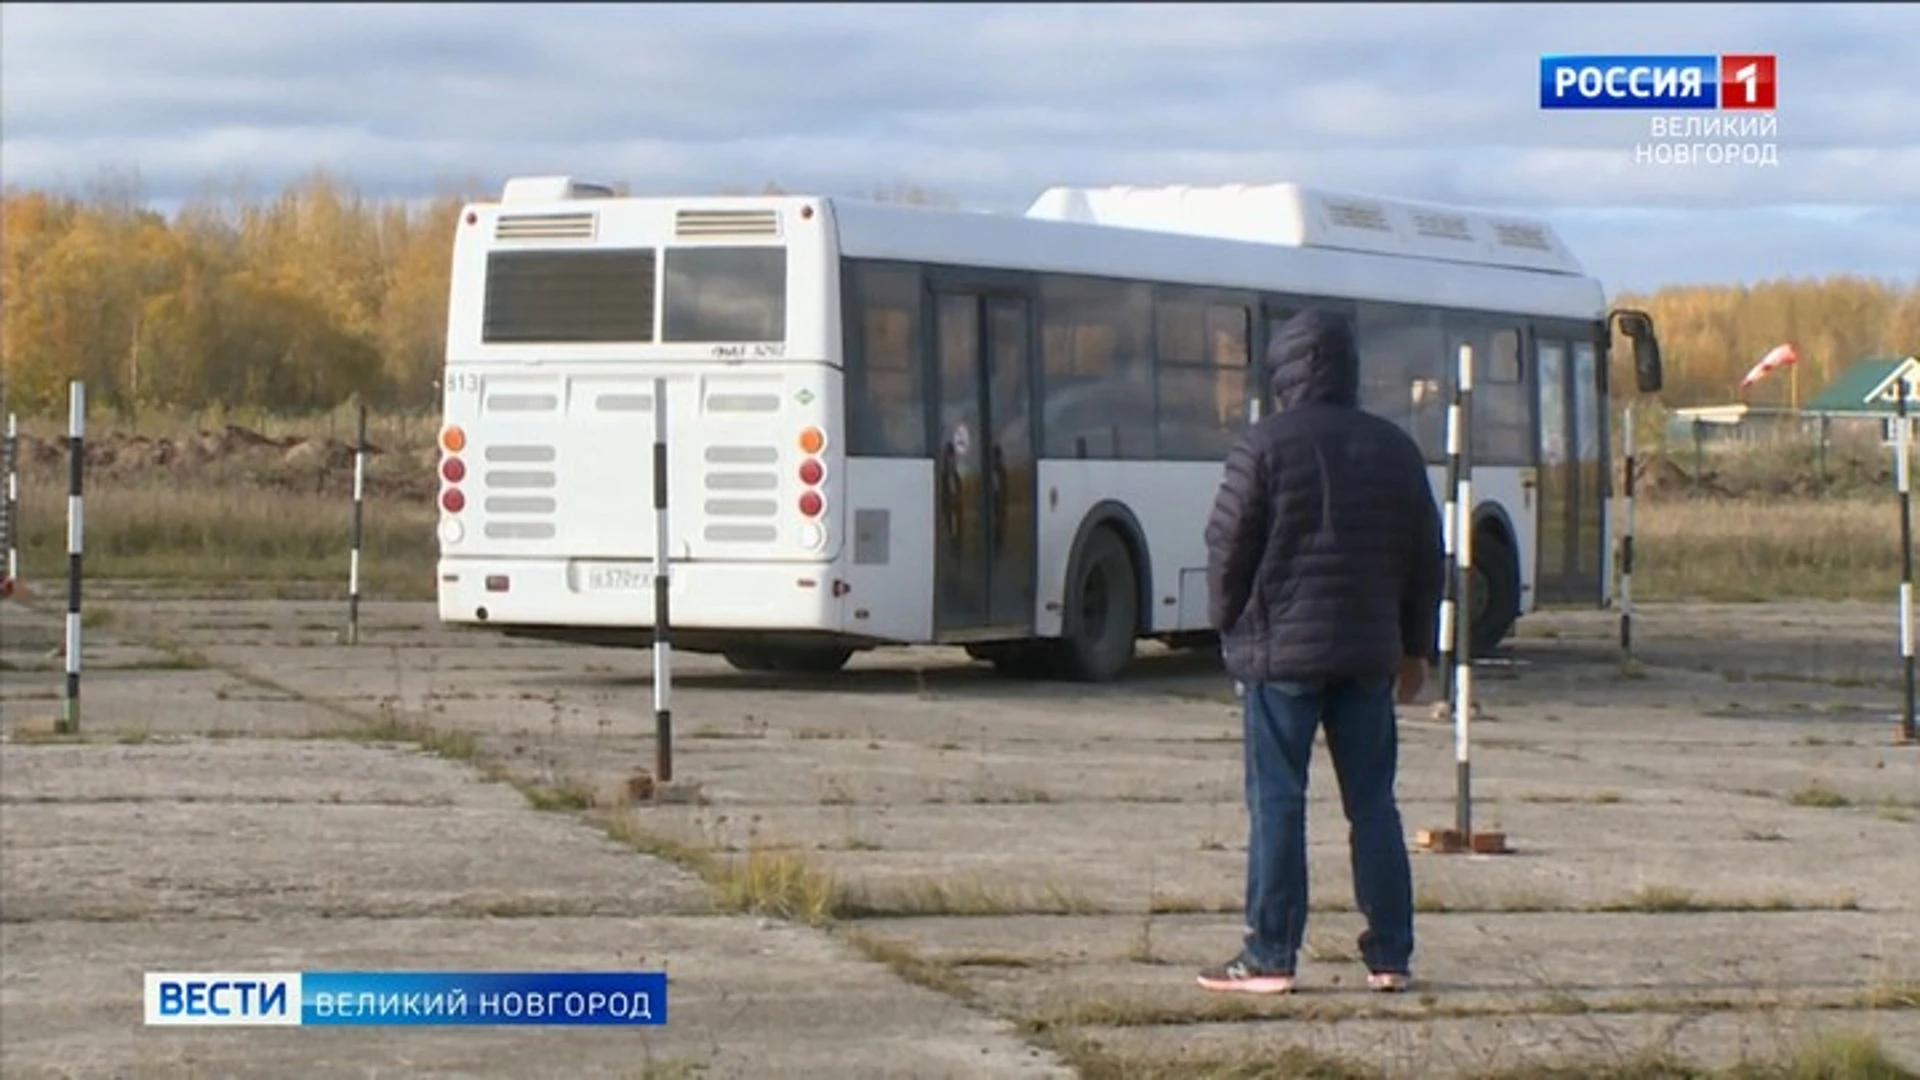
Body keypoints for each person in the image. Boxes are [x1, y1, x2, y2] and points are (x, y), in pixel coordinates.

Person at [1197, 307, 1445, 996]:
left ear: (1284, 370)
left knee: (1279, 801)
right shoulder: (1394, 448)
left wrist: (1225, 623)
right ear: (1349, 369)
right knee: (1374, 805)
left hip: (1280, 660)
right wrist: (1415, 649)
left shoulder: (1263, 446)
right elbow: (1428, 559)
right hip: (1368, 658)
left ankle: (1270, 954)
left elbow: (1227, 546)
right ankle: (1390, 954)